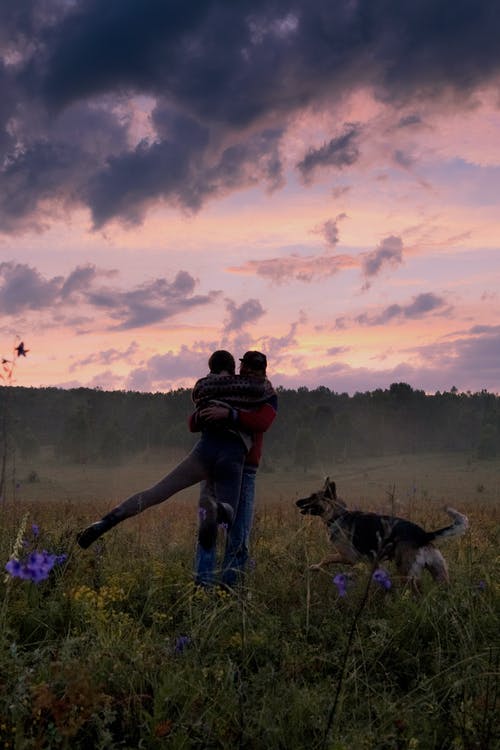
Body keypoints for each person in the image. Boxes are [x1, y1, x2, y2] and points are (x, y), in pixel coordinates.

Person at [76, 350, 268, 550]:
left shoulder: (203, 387)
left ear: (211, 368)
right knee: (229, 512)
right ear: (232, 368)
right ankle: (217, 511)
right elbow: (263, 408)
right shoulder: (250, 390)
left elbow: (194, 420)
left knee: (154, 493)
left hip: (204, 450)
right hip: (232, 453)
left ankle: (105, 522)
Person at [193, 351, 278, 588]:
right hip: (214, 467)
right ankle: (203, 587)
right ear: (239, 368)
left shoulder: (266, 394)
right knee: (208, 528)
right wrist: (203, 416)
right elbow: (193, 420)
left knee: (238, 533)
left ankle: (229, 590)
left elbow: (263, 422)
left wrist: (229, 414)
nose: (248, 372)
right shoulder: (228, 388)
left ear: (263, 371)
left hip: (246, 469)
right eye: (245, 367)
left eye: (254, 369)